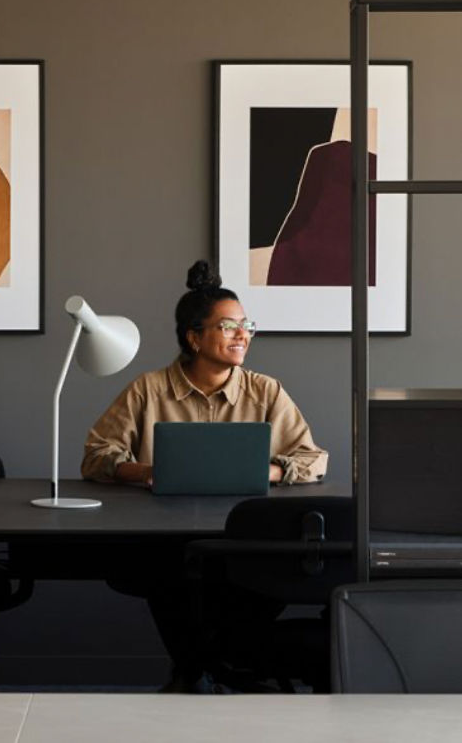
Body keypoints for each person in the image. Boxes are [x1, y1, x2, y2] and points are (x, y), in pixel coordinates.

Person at [81, 259, 328, 691]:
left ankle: (197, 671)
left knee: (248, 583)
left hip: (244, 538)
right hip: (165, 538)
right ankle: (204, 671)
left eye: (246, 325)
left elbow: (313, 458)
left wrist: (266, 471)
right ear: (194, 337)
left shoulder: (265, 390)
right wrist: (146, 472)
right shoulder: (149, 388)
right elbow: (97, 455)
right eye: (229, 326)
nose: (243, 334)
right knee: (170, 577)